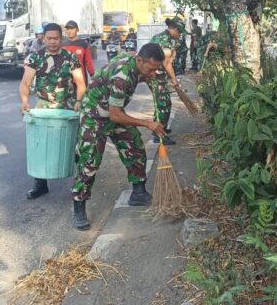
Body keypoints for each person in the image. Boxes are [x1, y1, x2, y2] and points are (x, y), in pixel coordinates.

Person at [70, 43, 167, 230]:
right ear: (139, 60)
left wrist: (152, 79)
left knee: (135, 145)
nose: (153, 73)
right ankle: (79, 205)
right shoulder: (122, 76)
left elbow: (116, 112)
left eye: (157, 69)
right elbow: (115, 116)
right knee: (90, 160)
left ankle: (138, 192)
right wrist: (148, 123)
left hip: (113, 111)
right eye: (151, 69)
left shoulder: (137, 61)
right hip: (95, 116)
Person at [19, 23, 87, 200]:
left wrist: (79, 101)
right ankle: (40, 184)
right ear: (44, 38)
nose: (52, 42)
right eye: (49, 38)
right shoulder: (35, 58)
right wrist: (25, 102)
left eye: (56, 38)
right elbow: (25, 83)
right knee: (40, 144)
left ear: (61, 38)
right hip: (44, 106)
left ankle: (80, 185)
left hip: (68, 105)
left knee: (78, 144)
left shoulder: (70, 58)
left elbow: (80, 84)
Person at [148, 17, 185, 145]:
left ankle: (159, 128)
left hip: (156, 75)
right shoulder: (164, 40)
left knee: (161, 103)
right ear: (174, 29)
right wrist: (174, 80)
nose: (180, 35)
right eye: (179, 32)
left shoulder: (163, 37)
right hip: (155, 76)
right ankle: (159, 134)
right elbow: (167, 62)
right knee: (164, 104)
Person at [62, 20, 95, 84]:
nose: (69, 31)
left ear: (77, 30)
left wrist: (92, 75)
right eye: (68, 29)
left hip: (80, 79)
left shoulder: (83, 44)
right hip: (65, 80)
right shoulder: (62, 44)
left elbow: (88, 62)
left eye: (72, 28)